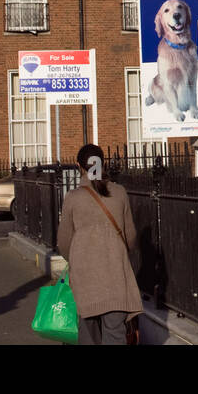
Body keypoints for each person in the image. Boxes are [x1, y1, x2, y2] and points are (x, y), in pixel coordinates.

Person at [56, 143, 143, 345]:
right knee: (115, 333)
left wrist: (77, 258)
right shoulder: (120, 193)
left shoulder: (73, 198)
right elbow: (130, 236)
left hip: (85, 278)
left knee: (87, 335)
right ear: (102, 164)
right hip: (115, 275)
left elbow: (63, 242)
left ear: (79, 166)